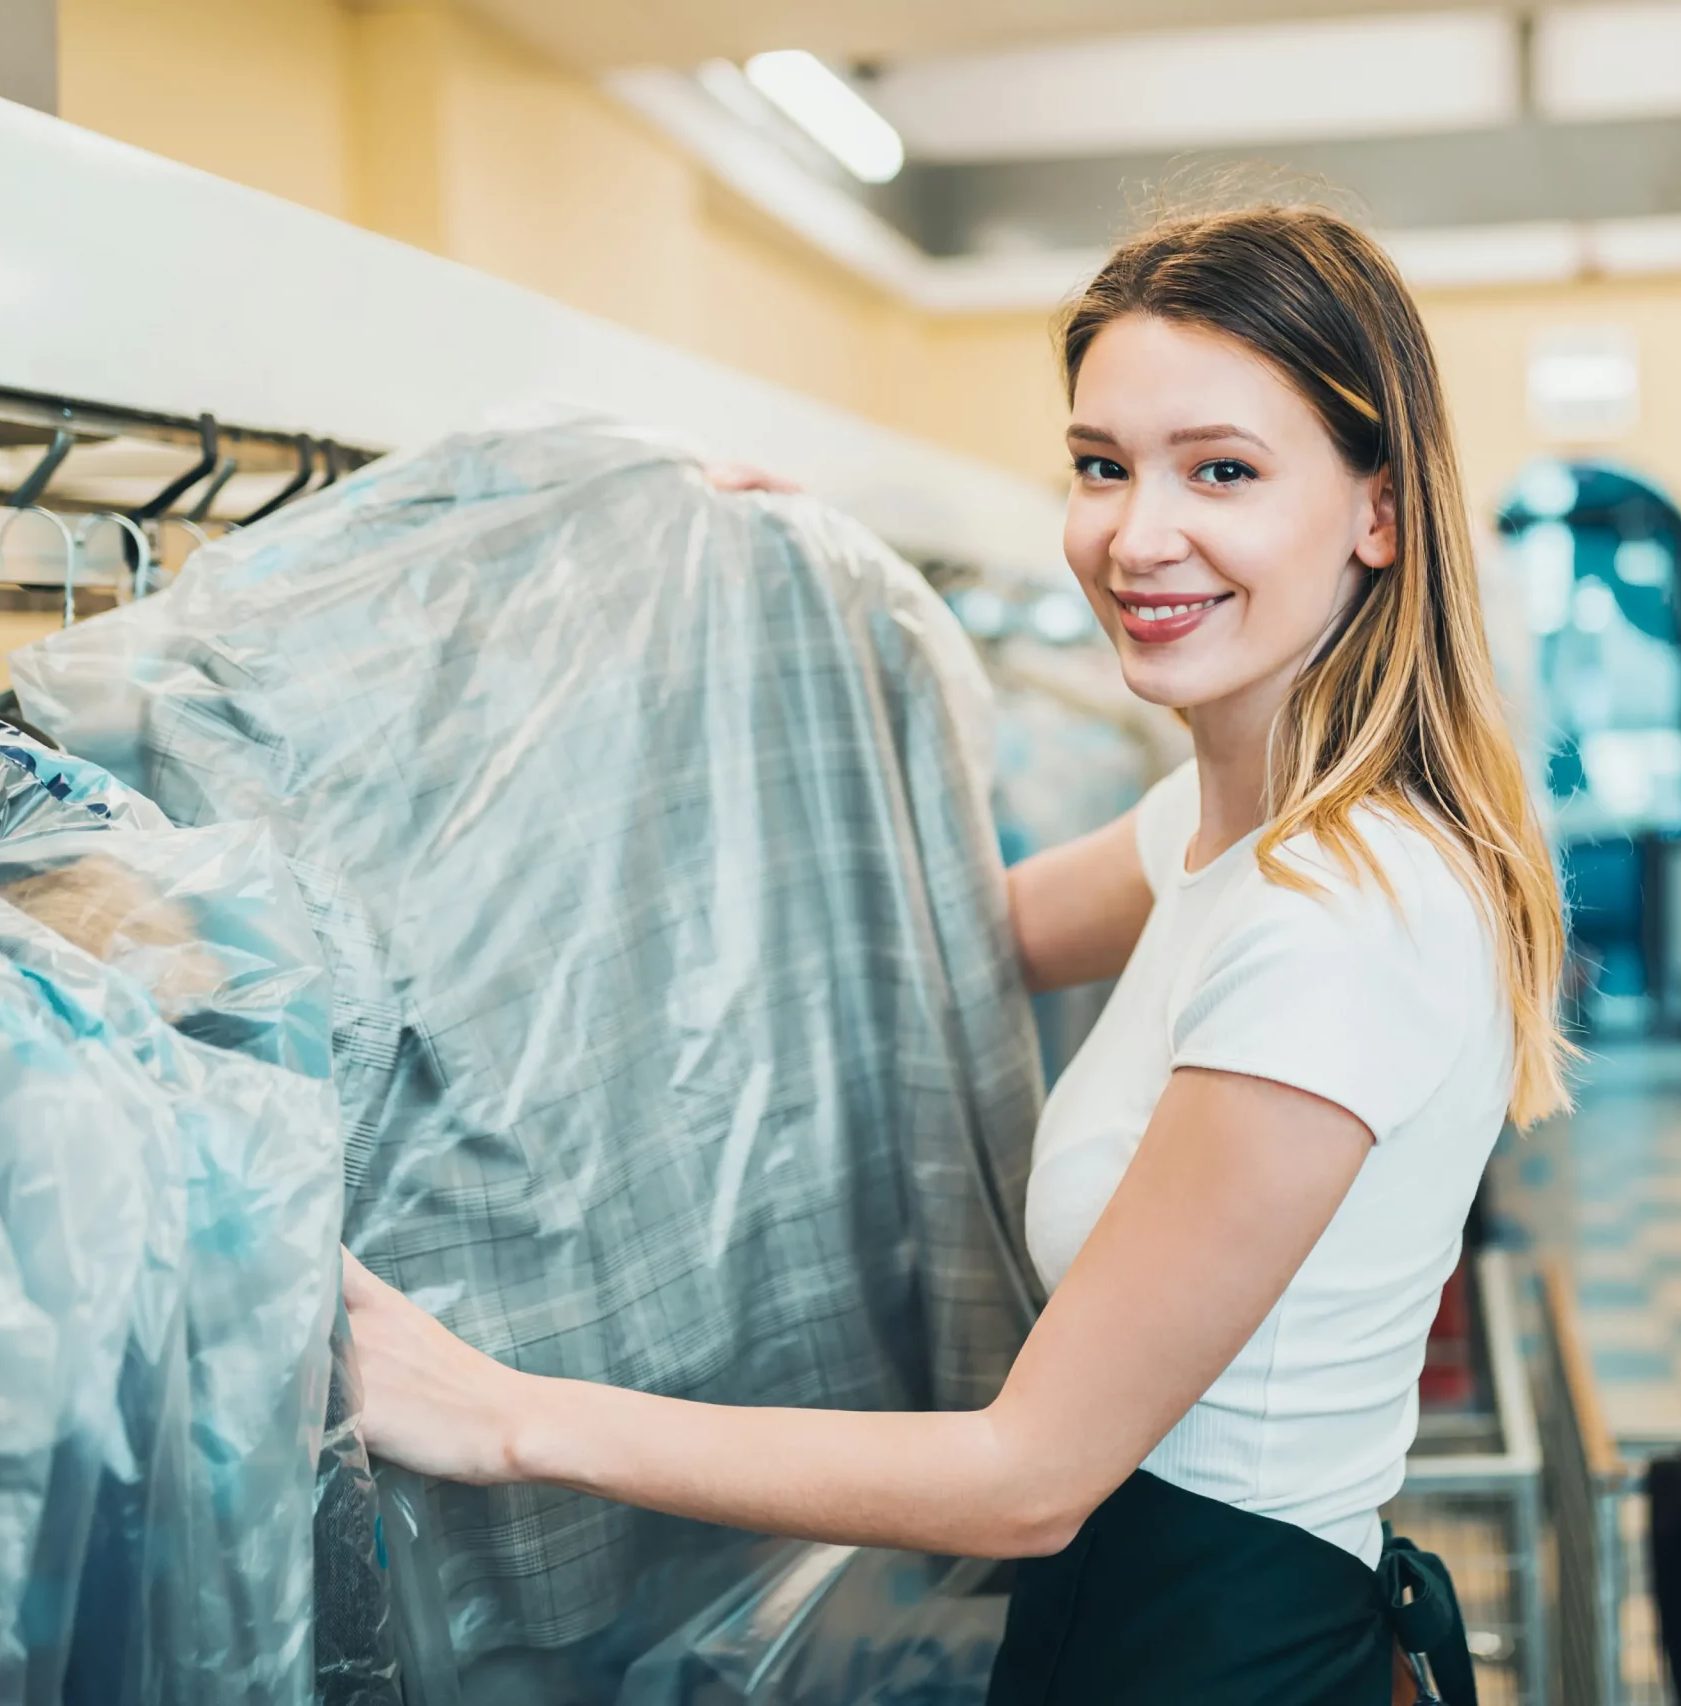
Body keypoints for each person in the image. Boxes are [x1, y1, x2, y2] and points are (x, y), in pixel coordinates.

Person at [341, 203, 1572, 1704]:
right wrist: (797, 587)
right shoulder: (1211, 822)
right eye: (1102, 466)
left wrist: (501, 1416)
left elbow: (1026, 1472)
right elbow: (921, 932)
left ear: (1379, 510)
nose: (1138, 534)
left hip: (1214, 1651)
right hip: (1129, 1622)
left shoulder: (1338, 923)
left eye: (1224, 470)